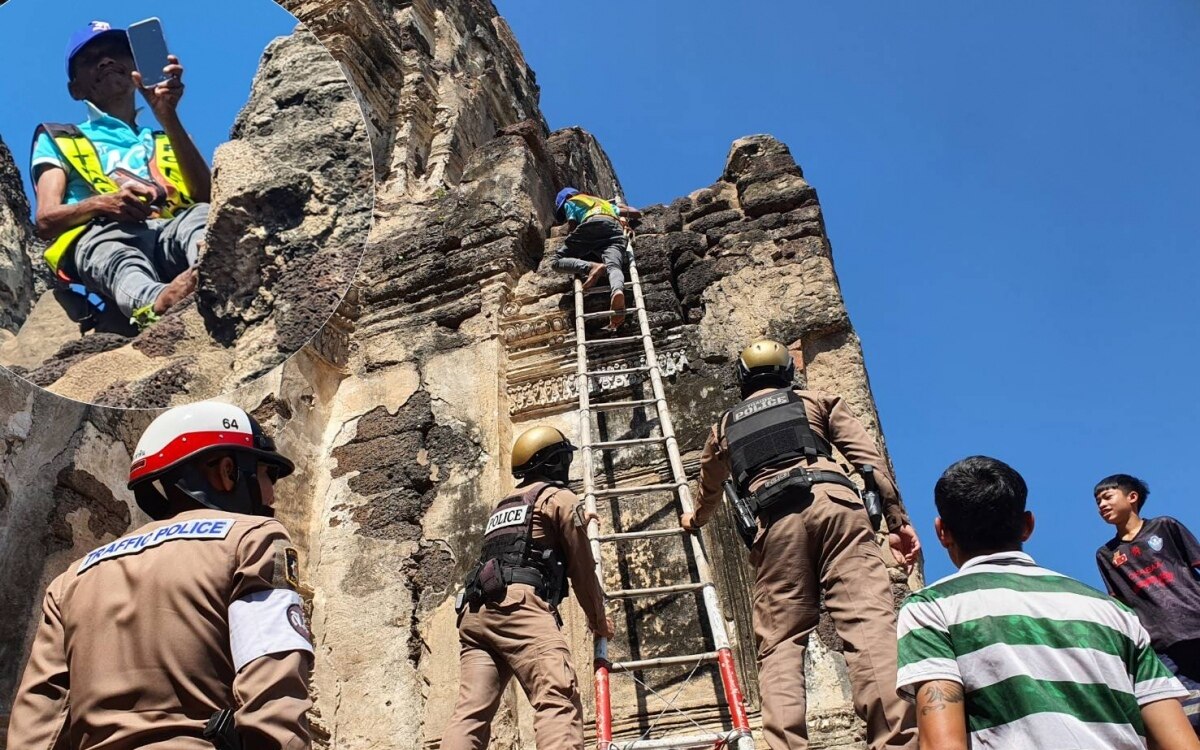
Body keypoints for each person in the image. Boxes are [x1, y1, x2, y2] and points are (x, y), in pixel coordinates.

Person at [6, 401, 313, 749]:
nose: (272, 494)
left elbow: (38, 726)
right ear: (228, 471)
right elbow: (274, 685)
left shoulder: (72, 578)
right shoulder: (253, 538)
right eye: (266, 475)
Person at [680, 339, 921, 750]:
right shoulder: (819, 401)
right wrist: (897, 522)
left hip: (774, 522)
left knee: (780, 644)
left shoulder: (723, 428)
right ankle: (897, 741)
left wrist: (694, 519)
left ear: (742, 378)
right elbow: (870, 463)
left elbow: (709, 489)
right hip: (836, 505)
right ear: (788, 373)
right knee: (869, 624)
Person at [897, 456, 1199, 750]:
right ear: (1028, 525)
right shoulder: (1114, 613)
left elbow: (943, 743)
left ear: (941, 532)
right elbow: (1179, 742)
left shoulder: (931, 607)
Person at [441, 425, 614, 750]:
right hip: (518, 609)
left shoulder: (505, 504)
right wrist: (598, 619)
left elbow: (524, 545)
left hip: (476, 614)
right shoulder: (558, 497)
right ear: (552, 463)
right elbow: (581, 567)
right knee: (556, 697)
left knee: (469, 715)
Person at [31, 20, 212, 329]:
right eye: (90, 60)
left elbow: (208, 198)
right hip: (103, 234)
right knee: (114, 255)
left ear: (135, 67)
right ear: (76, 88)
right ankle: (155, 301)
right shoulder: (59, 137)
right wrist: (102, 204)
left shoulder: (167, 137)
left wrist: (167, 116)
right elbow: (46, 220)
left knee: (200, 216)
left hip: (168, 234)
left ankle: (209, 270)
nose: (106, 60)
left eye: (117, 53)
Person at [1095, 473, 1200, 735]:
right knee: (1189, 715)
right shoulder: (1107, 555)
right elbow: (1119, 603)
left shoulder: (1165, 526)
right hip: (1161, 644)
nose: (1102, 505)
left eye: (1107, 497)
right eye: (1097, 502)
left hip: (1196, 624)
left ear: (1132, 497)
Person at [550, 187, 641, 329]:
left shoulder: (572, 201)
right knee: (614, 266)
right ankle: (617, 291)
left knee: (556, 261)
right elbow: (636, 213)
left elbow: (573, 226)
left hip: (592, 225)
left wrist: (573, 241)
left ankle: (591, 267)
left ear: (567, 197)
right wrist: (623, 210)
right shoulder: (604, 203)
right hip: (614, 228)